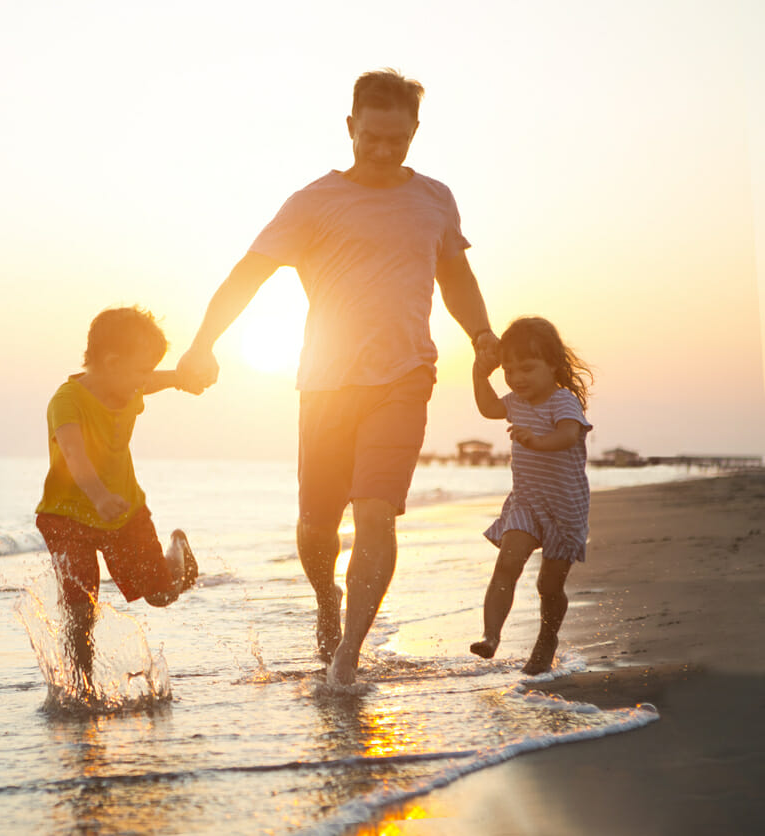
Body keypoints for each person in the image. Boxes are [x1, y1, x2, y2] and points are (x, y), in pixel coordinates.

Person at [177, 68, 498, 687]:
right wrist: (202, 345)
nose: (382, 151)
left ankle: (349, 650)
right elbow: (248, 274)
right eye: (371, 138)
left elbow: (455, 277)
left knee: (376, 512)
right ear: (350, 128)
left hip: (405, 376)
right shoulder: (313, 202)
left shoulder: (435, 198)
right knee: (317, 524)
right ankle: (327, 597)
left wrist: (482, 334)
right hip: (325, 381)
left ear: (414, 133)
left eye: (396, 141)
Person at [35, 305, 199, 694]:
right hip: (68, 516)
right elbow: (74, 453)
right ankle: (81, 689)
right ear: (111, 362)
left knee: (160, 596)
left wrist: (178, 378)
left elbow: (151, 381)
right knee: (79, 610)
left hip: (124, 513)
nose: (145, 381)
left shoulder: (127, 385)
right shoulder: (67, 401)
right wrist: (98, 495)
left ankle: (177, 554)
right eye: (142, 370)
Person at [469, 316, 594, 675]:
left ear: (552, 363)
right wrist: (480, 375)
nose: (517, 378)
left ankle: (547, 639)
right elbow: (489, 408)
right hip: (526, 501)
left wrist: (535, 441)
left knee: (548, 586)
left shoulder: (563, 401)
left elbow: (568, 436)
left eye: (526, 368)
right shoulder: (515, 401)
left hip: (564, 507)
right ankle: (490, 637)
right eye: (509, 370)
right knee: (507, 563)